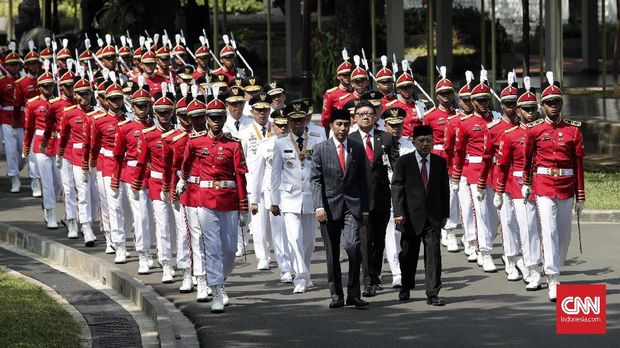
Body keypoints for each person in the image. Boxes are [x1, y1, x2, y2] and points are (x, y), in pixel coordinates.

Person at [178, 89, 249, 313]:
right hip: (205, 200)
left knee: (229, 248)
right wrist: (183, 181)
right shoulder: (196, 142)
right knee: (212, 246)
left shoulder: (234, 144)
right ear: (206, 119)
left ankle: (221, 278)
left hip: (228, 200)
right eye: (212, 118)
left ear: (225, 118)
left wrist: (244, 206)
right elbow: (186, 165)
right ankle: (216, 290)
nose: (216, 122)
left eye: (220, 117)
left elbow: (240, 176)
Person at [522, 72, 585, 302]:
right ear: (542, 105)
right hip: (544, 185)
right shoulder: (534, 129)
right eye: (549, 103)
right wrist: (527, 184)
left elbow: (579, 163)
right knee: (548, 231)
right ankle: (553, 277)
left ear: (561, 103)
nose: (553, 107)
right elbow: (528, 159)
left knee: (564, 233)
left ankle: (555, 266)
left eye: (556, 102)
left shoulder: (573, 129)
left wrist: (581, 196)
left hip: (567, 186)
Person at [311, 108, 369, 309]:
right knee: (332, 252)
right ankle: (337, 295)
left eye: (346, 124)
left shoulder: (356, 148)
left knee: (353, 246)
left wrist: (365, 209)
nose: (343, 128)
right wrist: (318, 205)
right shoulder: (320, 149)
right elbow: (315, 180)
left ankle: (354, 293)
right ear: (331, 126)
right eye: (339, 124)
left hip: (351, 207)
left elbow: (363, 180)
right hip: (327, 207)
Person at [491, 78, 543, 291]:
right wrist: (499, 189)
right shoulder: (509, 134)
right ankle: (511, 259)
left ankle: (533, 265)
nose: (530, 112)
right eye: (525, 109)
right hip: (514, 183)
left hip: (539, 184)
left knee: (533, 228)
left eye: (533, 108)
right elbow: (501, 165)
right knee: (511, 222)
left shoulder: (541, 130)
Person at [392, 125, 449, 306]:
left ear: (433, 141)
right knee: (408, 254)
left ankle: (432, 292)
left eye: (429, 141)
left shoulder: (440, 162)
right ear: (414, 142)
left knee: (433, 254)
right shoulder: (404, 162)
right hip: (409, 216)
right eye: (421, 141)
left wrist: (445, 214)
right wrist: (399, 212)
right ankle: (406, 286)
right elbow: (397, 188)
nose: (425, 144)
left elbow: (444, 190)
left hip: (432, 217)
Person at [271, 102, 324, 293]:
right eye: (293, 120)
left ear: (305, 120)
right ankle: (300, 278)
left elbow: (321, 171)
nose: (297, 124)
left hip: (311, 197)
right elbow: (275, 174)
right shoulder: (280, 143)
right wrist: (274, 201)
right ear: (288, 121)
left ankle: (306, 272)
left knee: (309, 241)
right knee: (293, 239)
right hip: (289, 197)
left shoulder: (317, 140)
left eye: (300, 120)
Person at [348, 99, 399, 297]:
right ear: (355, 118)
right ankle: (367, 280)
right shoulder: (350, 139)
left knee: (379, 240)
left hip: (382, 197)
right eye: (361, 114)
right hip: (360, 199)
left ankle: (376, 275)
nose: (366, 116)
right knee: (365, 239)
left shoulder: (385, 137)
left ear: (376, 116)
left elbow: (395, 168)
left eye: (369, 113)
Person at [451, 72, 500, 272]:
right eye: (479, 100)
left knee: (495, 215)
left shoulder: (496, 119)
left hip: (494, 171)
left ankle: (484, 240)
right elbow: (458, 152)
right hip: (474, 171)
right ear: (472, 100)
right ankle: (484, 251)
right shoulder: (465, 123)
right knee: (479, 212)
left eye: (485, 99)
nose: (482, 103)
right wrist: (455, 176)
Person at [476, 73, 522, 281]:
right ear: (502, 105)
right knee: (500, 219)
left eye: (515, 104)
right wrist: (481, 182)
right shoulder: (493, 128)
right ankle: (498, 255)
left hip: (519, 180)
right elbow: (486, 158)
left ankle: (514, 257)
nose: (511, 108)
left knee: (518, 221)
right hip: (498, 179)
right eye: (508, 104)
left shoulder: (525, 127)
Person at [132, 85, 176, 282]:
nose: (164, 116)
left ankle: (181, 261)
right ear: (155, 113)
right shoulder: (148, 135)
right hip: (156, 183)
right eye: (160, 112)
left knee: (178, 228)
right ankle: (166, 263)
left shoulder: (178, 135)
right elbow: (141, 161)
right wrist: (136, 183)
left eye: (167, 112)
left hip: (176, 184)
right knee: (162, 225)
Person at [250, 109, 292, 284]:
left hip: (294, 194)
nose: (282, 129)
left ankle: (299, 267)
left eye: (285, 125)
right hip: (273, 196)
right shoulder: (264, 144)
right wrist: (254, 200)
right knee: (279, 234)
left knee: (296, 236)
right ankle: (285, 269)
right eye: (279, 125)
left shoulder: (299, 143)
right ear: (273, 126)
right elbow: (257, 174)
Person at [56, 76, 98, 245]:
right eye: (80, 94)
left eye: (87, 94)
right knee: (80, 190)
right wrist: (60, 155)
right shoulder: (69, 113)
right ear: (75, 94)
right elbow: (64, 136)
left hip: (95, 157)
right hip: (76, 156)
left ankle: (86, 220)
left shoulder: (96, 113)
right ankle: (82, 224)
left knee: (95, 196)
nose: (83, 97)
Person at [423, 68, 458, 251]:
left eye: (449, 93)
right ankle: (436, 222)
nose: (446, 96)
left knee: (451, 193)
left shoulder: (458, 115)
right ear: (437, 95)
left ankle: (449, 229)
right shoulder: (429, 116)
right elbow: (424, 140)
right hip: (436, 156)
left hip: (453, 157)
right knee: (435, 192)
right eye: (443, 93)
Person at [22, 66, 62, 229]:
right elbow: (29, 128)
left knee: (58, 182)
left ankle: (47, 203)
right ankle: (50, 212)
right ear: (39, 87)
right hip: (41, 145)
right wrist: (26, 147)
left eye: (51, 85)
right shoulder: (33, 104)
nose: (48, 88)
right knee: (46, 180)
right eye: (45, 86)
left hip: (57, 143)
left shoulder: (60, 103)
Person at [238, 92, 274, 267]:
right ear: (252, 111)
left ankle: (281, 254)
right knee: (259, 224)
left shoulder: (276, 128)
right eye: (259, 110)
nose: (262, 113)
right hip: (254, 182)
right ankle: (263, 256)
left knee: (277, 223)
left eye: (265, 110)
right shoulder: (245, 133)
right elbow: (241, 160)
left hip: (274, 183)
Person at [382, 107, 414, 288]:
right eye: (392, 125)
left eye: (399, 125)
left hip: (405, 194)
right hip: (385, 192)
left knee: (406, 234)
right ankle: (396, 272)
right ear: (385, 125)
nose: (395, 129)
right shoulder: (379, 143)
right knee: (390, 233)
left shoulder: (409, 146)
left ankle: (406, 267)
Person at [320, 52, 353, 132]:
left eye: (349, 74)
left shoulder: (356, 91)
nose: (347, 77)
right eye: (344, 75)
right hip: (338, 129)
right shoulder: (331, 94)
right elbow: (326, 118)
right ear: (338, 76)